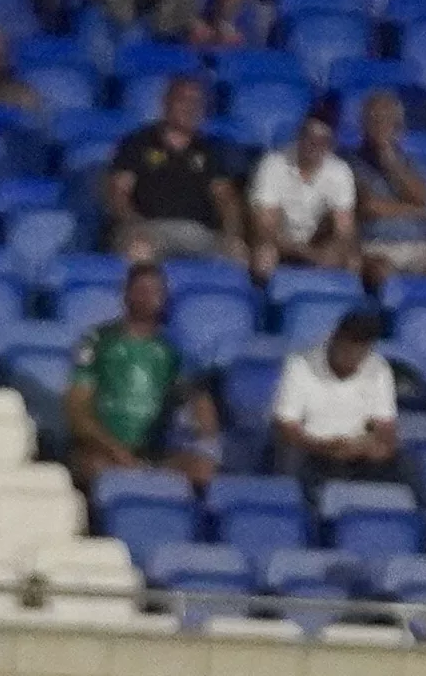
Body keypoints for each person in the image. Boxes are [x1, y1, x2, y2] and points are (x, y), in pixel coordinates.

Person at [64, 261, 217, 490]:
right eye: (143, 290)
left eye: (158, 291)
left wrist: (206, 439)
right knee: (93, 467)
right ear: (126, 294)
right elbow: (77, 410)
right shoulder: (97, 341)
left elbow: (199, 401)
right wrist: (115, 450)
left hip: (155, 453)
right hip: (103, 451)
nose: (152, 297)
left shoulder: (174, 347)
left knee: (202, 469)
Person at [105, 72, 243, 263]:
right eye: (183, 100)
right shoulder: (137, 143)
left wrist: (232, 234)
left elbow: (226, 199)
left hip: (197, 232)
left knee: (237, 255)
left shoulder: (211, 150)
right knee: (139, 250)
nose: (190, 107)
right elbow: (118, 194)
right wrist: (133, 224)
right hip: (148, 228)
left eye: (197, 102)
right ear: (166, 102)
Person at [271, 309, 403, 489]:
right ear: (335, 339)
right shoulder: (300, 365)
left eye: (359, 351)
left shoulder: (379, 369)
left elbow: (386, 427)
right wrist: (324, 447)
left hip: (358, 454)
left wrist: (372, 447)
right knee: (290, 458)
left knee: (402, 464)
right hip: (311, 450)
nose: (352, 357)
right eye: (347, 348)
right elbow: (286, 427)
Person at [247, 106, 356, 281]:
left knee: (350, 261)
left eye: (322, 140)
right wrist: (301, 251)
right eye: (309, 137)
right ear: (299, 136)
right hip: (279, 243)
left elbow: (344, 230)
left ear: (331, 145)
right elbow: (265, 228)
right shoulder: (273, 164)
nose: (314, 145)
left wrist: (330, 249)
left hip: (316, 243)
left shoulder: (340, 172)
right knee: (264, 256)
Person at [348, 87, 426, 277]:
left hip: (418, 245)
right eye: (374, 121)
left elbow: (425, 201)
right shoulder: (350, 163)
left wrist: (390, 161)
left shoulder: (413, 164)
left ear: (399, 127)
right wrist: (415, 210)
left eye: (387, 121)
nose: (380, 127)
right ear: (363, 125)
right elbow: (369, 206)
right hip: (375, 245)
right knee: (382, 273)